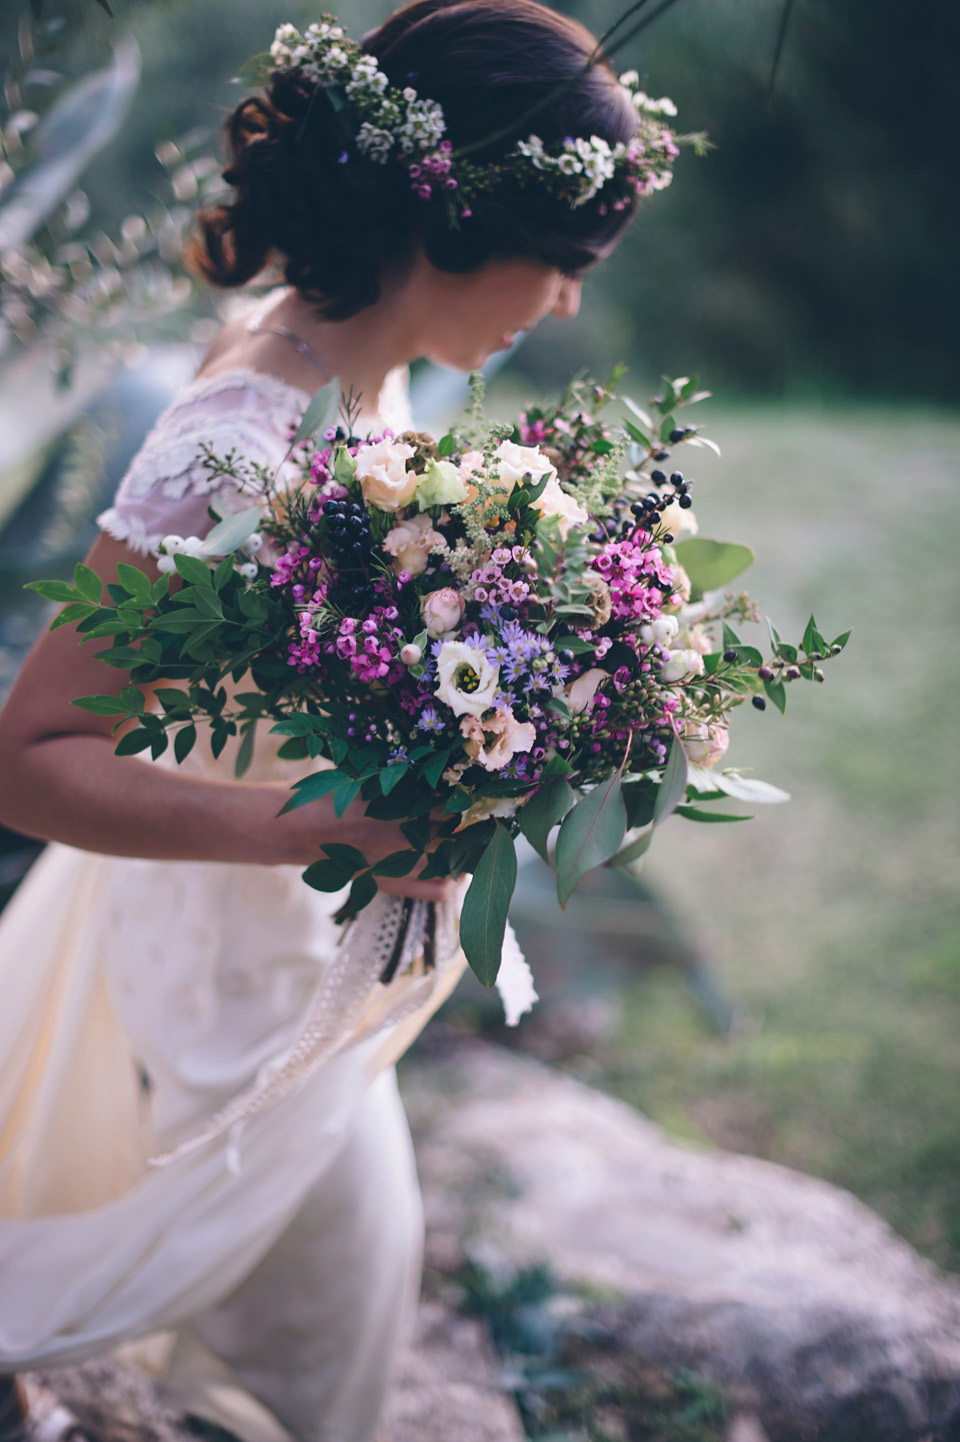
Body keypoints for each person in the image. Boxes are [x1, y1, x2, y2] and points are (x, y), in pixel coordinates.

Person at [0, 2, 679, 1438]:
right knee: (332, 1340)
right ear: (446, 214)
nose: (561, 302)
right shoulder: (239, 431)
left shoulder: (359, 375)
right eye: (559, 262)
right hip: (234, 985)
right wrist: (320, 824)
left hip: (308, 961)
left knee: (340, 1332)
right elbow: (29, 755)